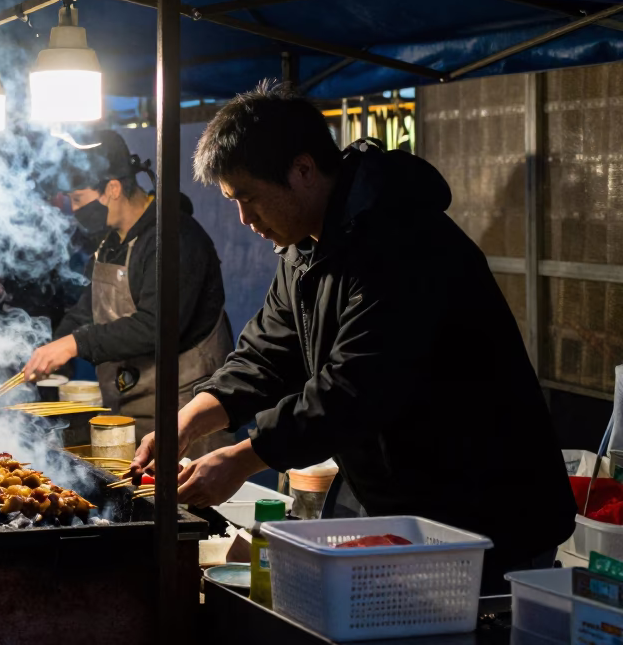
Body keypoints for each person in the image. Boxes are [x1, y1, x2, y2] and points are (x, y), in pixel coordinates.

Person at [129, 81, 575, 593]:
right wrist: (185, 422)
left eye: (248, 198)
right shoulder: (303, 248)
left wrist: (245, 456)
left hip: (485, 507)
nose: (245, 220)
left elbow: (358, 385)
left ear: (302, 170)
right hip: (400, 501)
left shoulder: (402, 242)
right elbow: (267, 354)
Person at [24, 131, 233, 454]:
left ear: (112, 189)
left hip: (187, 421)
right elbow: (87, 311)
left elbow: (158, 325)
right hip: (128, 415)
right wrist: (51, 354)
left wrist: (77, 343)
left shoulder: (174, 238)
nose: (74, 209)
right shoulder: (110, 242)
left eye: (78, 199)